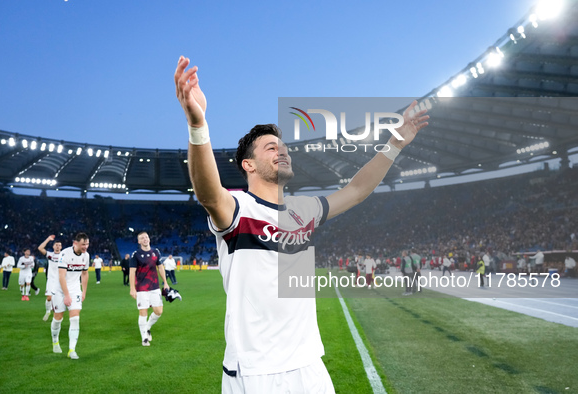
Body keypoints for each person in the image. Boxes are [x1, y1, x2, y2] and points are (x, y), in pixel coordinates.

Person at [175, 55, 428, 392]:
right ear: (248, 165)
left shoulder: (304, 210)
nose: (281, 151)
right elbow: (208, 193)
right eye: (269, 148)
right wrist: (197, 124)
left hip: (309, 366)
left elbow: (356, 190)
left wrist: (395, 145)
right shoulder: (238, 208)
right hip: (255, 371)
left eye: (282, 146)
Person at [50, 232, 90, 360]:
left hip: (75, 290)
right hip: (60, 289)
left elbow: (84, 274)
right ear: (75, 243)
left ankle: (72, 350)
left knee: (75, 319)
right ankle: (55, 340)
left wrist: (83, 291)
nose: (86, 247)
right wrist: (66, 295)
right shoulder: (65, 254)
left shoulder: (86, 256)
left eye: (87, 244)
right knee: (58, 318)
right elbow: (61, 276)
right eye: (83, 244)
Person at [130, 232, 170, 347]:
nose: (145, 239)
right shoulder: (136, 254)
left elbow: (160, 268)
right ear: (139, 241)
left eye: (146, 237)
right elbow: (132, 272)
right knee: (143, 312)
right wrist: (132, 288)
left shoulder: (156, 252)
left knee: (159, 311)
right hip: (141, 288)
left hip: (155, 287)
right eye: (142, 238)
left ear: (149, 239)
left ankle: (147, 328)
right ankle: (144, 338)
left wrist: (166, 283)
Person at [38, 235, 63, 321]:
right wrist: (48, 239)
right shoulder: (50, 255)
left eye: (59, 245)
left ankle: (57, 314)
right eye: (56, 245)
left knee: (59, 299)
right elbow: (40, 248)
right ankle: (48, 311)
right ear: (53, 246)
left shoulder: (63, 256)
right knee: (49, 297)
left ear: (61, 247)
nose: (58, 246)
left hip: (61, 280)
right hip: (51, 279)